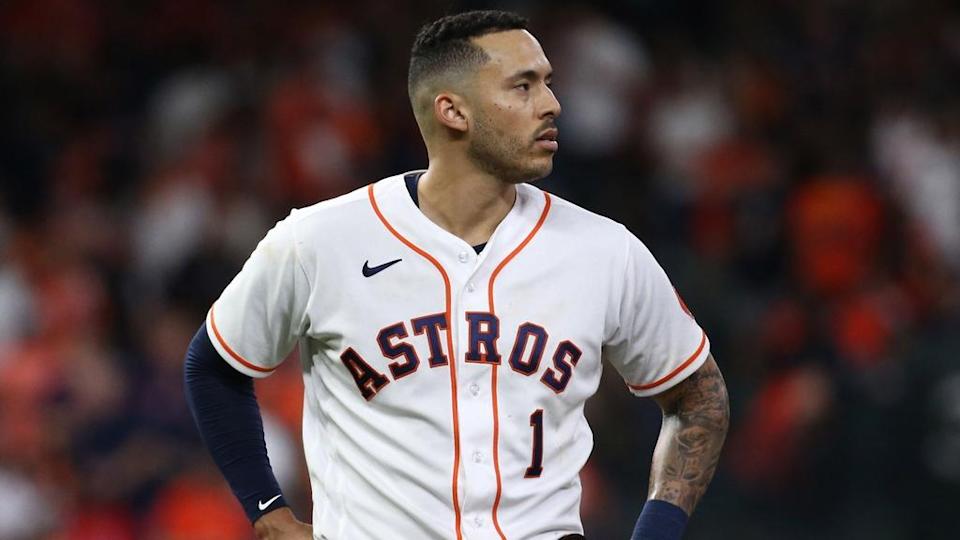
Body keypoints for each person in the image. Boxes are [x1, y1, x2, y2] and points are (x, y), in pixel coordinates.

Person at [184, 10, 729, 540]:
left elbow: (700, 396)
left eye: (547, 82)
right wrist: (268, 511)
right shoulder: (320, 241)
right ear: (453, 111)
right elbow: (213, 367)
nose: (552, 103)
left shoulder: (605, 251)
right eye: (523, 86)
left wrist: (658, 530)